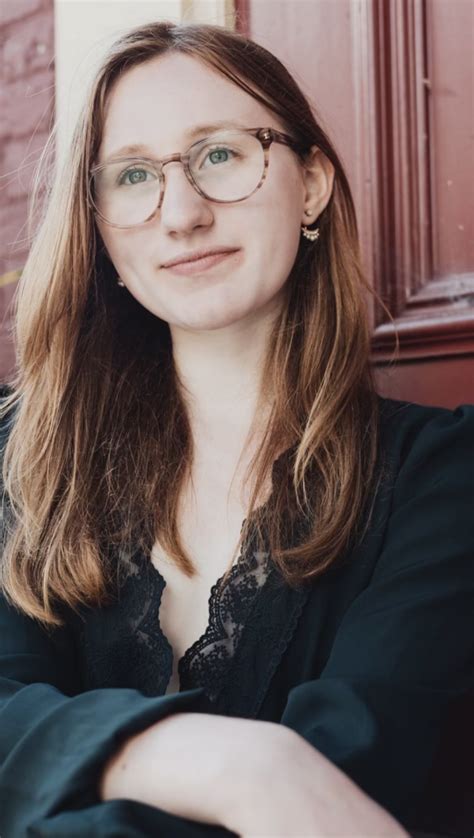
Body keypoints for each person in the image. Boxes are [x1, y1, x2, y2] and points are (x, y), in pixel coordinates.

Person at [0, 19, 473, 838]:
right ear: (100, 226)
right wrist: (238, 765)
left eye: (220, 155)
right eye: (134, 175)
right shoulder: (20, 461)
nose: (181, 213)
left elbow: (343, 789)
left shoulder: (444, 475)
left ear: (312, 184)